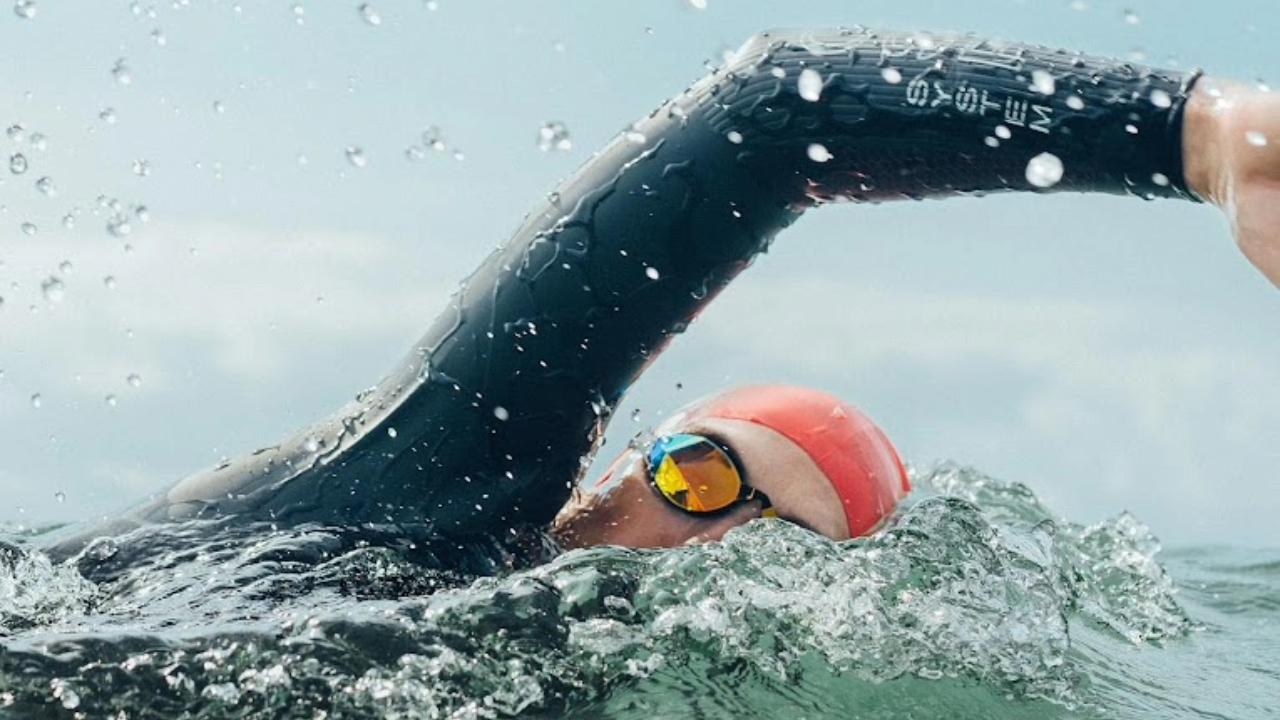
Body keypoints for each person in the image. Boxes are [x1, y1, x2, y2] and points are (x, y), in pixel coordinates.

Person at [45, 27, 1280, 569]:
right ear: (634, 457)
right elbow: (775, 109)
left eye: (746, 525)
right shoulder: (424, 494)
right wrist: (1199, 134)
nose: (684, 526)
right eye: (694, 471)